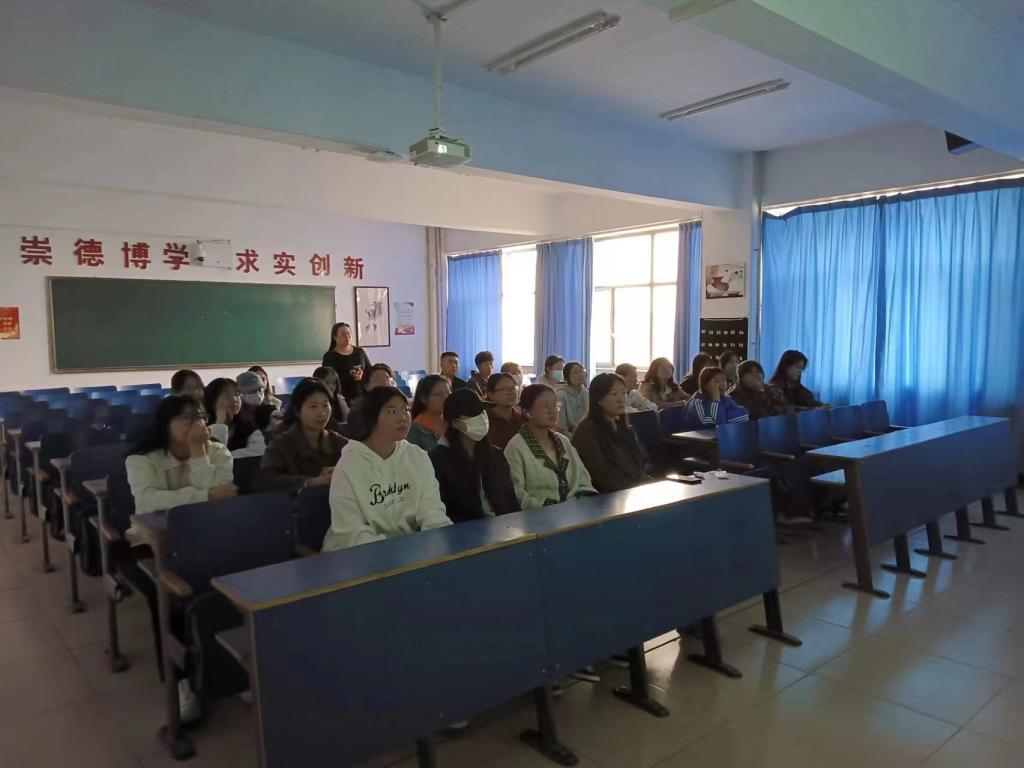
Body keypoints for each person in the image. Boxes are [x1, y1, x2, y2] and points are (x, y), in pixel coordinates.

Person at [125, 395, 235, 724]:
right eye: (185, 418)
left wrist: (199, 452)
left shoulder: (218, 451)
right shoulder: (141, 459)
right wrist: (204, 495)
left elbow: (218, 503)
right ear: (165, 424)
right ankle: (181, 680)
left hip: (207, 539)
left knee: (230, 583)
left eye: (199, 417)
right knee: (169, 596)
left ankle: (230, 667)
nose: (196, 424)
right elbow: (147, 503)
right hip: (153, 544)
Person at [322, 386, 452, 551]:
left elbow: (432, 512)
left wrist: (439, 541)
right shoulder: (349, 465)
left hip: (412, 550)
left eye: (406, 409)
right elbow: (351, 532)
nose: (403, 417)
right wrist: (394, 551)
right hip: (361, 553)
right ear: (371, 418)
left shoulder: (417, 456)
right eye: (392, 411)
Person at [430, 389, 519, 523]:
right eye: (473, 414)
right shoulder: (438, 459)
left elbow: (508, 499)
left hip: (504, 526)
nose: (481, 418)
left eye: (481, 411)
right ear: (455, 422)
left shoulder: (494, 454)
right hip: (463, 530)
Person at [504, 384, 597, 510]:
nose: (552, 410)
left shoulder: (563, 441)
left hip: (575, 512)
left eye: (555, 404)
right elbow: (518, 494)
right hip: (540, 515)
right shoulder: (516, 447)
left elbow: (583, 480)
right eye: (545, 405)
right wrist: (552, 510)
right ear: (527, 412)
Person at [256, 378, 347, 494]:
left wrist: (340, 471)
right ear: (297, 411)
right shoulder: (281, 444)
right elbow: (265, 481)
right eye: (313, 406)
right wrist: (309, 482)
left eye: (325, 405)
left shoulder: (338, 442)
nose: (321, 413)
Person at [571, 373, 651, 493]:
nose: (621, 399)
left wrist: (646, 484)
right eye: (614, 394)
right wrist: (636, 491)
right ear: (599, 399)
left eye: (623, 393)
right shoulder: (588, 431)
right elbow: (603, 476)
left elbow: (643, 459)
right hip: (606, 496)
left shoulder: (624, 426)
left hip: (634, 490)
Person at [203, 378, 266, 458]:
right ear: (212, 399)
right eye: (227, 395)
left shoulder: (247, 427)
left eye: (237, 394)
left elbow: (260, 450)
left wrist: (228, 456)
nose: (235, 399)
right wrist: (220, 423)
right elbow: (212, 456)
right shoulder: (202, 428)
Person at [683, 367, 750, 429]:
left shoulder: (725, 398)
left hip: (724, 436)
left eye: (723, 380)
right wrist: (716, 400)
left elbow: (743, 413)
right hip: (702, 437)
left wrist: (724, 416)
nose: (723, 383)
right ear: (705, 386)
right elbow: (719, 425)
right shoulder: (696, 403)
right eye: (717, 381)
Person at [322, 321, 371, 404]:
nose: (347, 336)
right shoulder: (329, 356)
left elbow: (370, 372)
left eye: (348, 333)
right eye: (342, 334)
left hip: (361, 398)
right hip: (340, 400)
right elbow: (328, 380)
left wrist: (361, 376)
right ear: (335, 337)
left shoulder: (359, 352)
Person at [728, 360, 794, 420]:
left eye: (758, 371)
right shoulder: (735, 395)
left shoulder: (771, 389)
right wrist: (760, 392)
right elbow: (758, 416)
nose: (755, 375)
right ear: (741, 377)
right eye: (750, 372)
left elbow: (788, 410)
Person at [407, 375, 449, 452]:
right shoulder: (414, 430)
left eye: (448, 393)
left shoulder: (454, 423)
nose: (446, 398)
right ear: (423, 398)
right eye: (438, 394)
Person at [484, 372, 525, 450]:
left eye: (513, 388)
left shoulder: (523, 418)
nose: (510, 392)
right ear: (491, 395)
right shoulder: (484, 421)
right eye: (504, 389)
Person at [236, 370, 281, 435]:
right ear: (241, 394)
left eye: (260, 390)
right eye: (252, 391)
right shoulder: (235, 416)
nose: (258, 395)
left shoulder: (270, 412)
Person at [557, 361, 589, 434]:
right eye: (575, 372)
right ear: (567, 377)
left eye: (582, 371)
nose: (580, 374)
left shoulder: (589, 394)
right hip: (569, 436)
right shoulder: (561, 396)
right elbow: (561, 427)